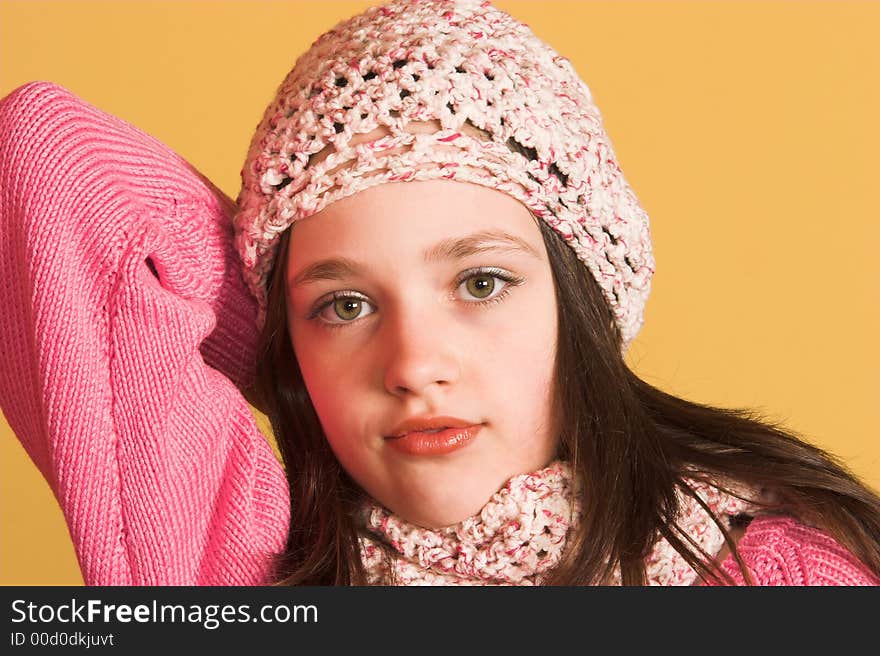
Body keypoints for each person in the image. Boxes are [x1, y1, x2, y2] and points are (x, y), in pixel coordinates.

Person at [0, 0, 878, 586]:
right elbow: (45, 160)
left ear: (586, 298)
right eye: (345, 306)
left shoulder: (771, 572)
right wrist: (271, 345)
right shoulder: (240, 562)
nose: (414, 366)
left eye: (481, 282)